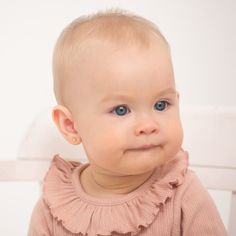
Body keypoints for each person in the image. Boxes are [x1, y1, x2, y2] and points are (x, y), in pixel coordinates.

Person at [28, 9, 227, 236]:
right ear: (71, 125)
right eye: (121, 110)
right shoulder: (55, 206)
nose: (148, 124)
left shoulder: (184, 194)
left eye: (161, 105)